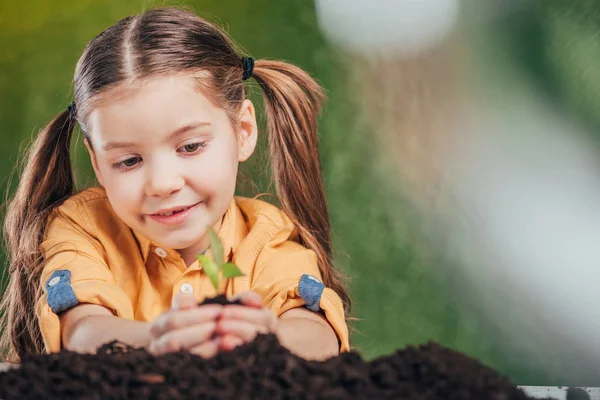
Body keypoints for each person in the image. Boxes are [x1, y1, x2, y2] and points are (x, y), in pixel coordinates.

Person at [0, 7, 350, 363]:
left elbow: (318, 335)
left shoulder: (267, 237)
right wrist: (159, 339)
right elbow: (82, 331)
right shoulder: (83, 227)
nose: (163, 184)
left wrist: (269, 337)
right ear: (98, 164)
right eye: (128, 161)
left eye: (191, 147)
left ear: (242, 132)